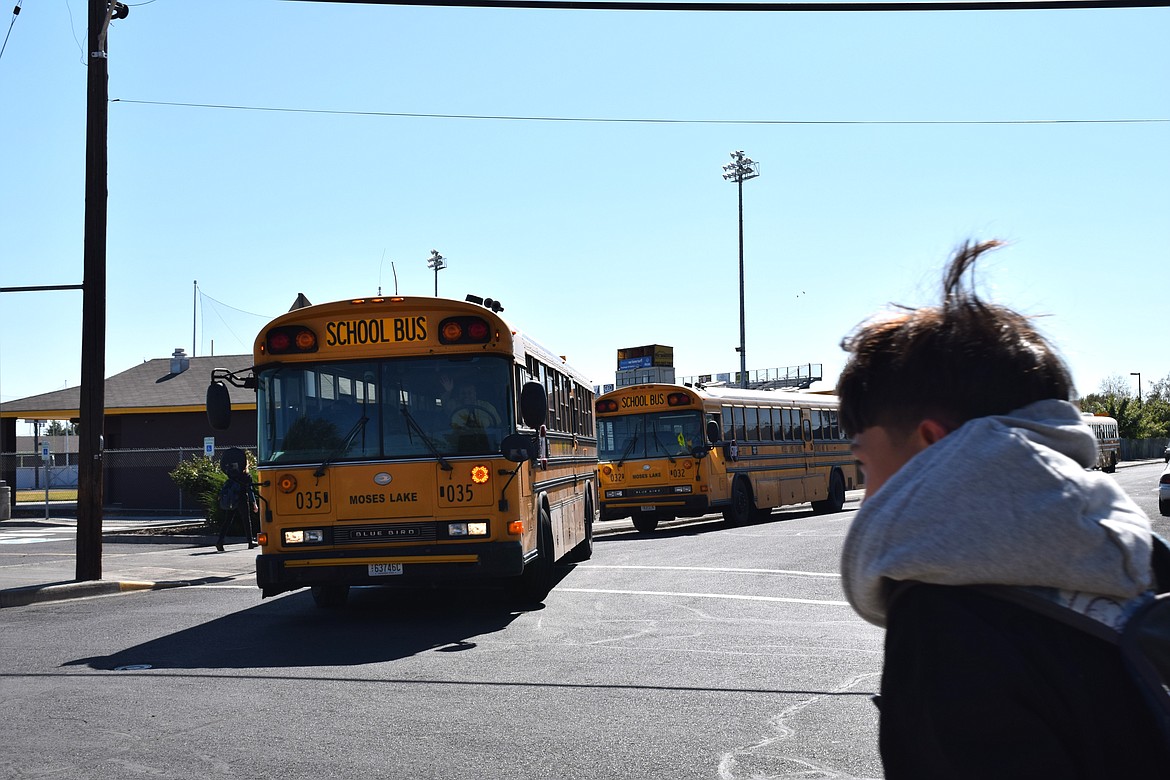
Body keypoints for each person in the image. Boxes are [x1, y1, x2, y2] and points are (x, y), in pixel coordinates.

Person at [836, 239, 1169, 777]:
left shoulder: (942, 620)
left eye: (866, 466)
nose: (868, 498)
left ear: (930, 443)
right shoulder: (1142, 560)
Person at [216, 447, 257, 552]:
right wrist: (254, 503)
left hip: (232, 499)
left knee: (227, 520)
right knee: (246, 521)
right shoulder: (246, 476)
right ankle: (250, 542)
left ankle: (220, 541)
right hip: (242, 499)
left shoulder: (231, 475)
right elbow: (250, 490)